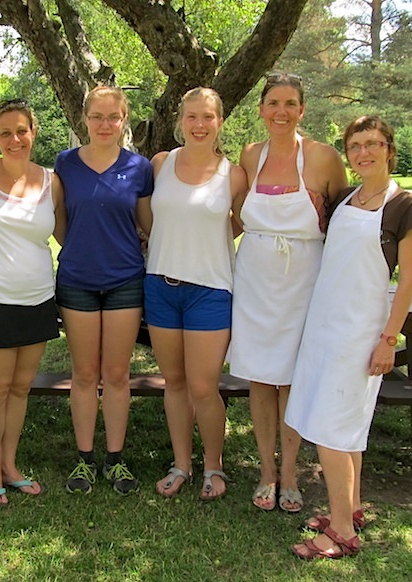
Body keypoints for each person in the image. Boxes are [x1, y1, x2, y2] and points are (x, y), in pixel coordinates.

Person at [287, 115, 412, 559]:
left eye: (373, 144)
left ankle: (341, 531)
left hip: (361, 332)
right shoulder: (345, 198)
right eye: (355, 146)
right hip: (324, 325)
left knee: (331, 429)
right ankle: (354, 506)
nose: (363, 152)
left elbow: (406, 283)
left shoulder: (406, 208)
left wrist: (389, 340)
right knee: (348, 429)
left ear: (389, 148)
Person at [230, 72, 348, 513]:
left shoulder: (324, 157)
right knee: (261, 377)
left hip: (305, 282)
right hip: (256, 280)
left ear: (302, 110)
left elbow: (342, 221)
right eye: (273, 103)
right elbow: (236, 217)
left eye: (290, 104)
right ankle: (265, 471)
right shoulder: (249, 155)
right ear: (261, 109)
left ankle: (291, 471)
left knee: (294, 379)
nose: (281, 111)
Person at [0, 98, 65, 507]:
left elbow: (64, 236)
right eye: (5, 132)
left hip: (39, 298)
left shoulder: (52, 181)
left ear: (33, 132)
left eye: (21, 131)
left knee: (20, 389)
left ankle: (10, 465)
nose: (14, 139)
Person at [144, 88, 246, 501]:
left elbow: (242, 223)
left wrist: (206, 243)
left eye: (208, 117)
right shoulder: (160, 164)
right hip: (161, 286)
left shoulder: (234, 174)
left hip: (210, 289)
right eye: (192, 117)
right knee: (175, 382)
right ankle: (181, 464)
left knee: (204, 386)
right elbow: (147, 214)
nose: (199, 125)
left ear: (220, 122)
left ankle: (214, 467)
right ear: (180, 121)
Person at [54, 85, 153, 495]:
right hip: (77, 279)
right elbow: (59, 223)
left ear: (124, 118)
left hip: (124, 281)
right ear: (85, 119)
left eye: (113, 117)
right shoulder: (65, 164)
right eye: (97, 116)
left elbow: (146, 225)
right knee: (83, 373)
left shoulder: (140, 167)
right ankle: (84, 460)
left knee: (115, 374)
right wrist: (80, 249)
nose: (105, 124)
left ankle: (115, 459)